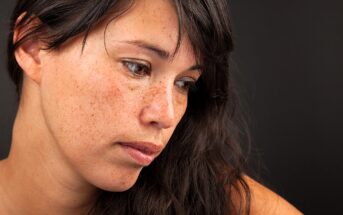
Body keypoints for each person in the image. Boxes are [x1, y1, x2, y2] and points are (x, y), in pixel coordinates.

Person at [0, 0, 302, 214]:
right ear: (33, 46)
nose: (167, 115)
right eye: (138, 67)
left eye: (184, 83)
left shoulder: (210, 198)